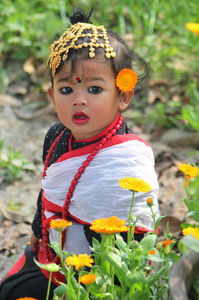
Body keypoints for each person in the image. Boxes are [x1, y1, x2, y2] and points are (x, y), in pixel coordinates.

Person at [0, 8, 159, 300]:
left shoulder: (126, 158)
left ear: (123, 95)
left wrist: (99, 281)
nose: (79, 101)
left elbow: (136, 235)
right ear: (51, 95)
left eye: (95, 89)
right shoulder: (56, 135)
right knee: (10, 290)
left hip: (103, 271)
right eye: (66, 90)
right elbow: (49, 191)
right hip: (55, 253)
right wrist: (39, 229)